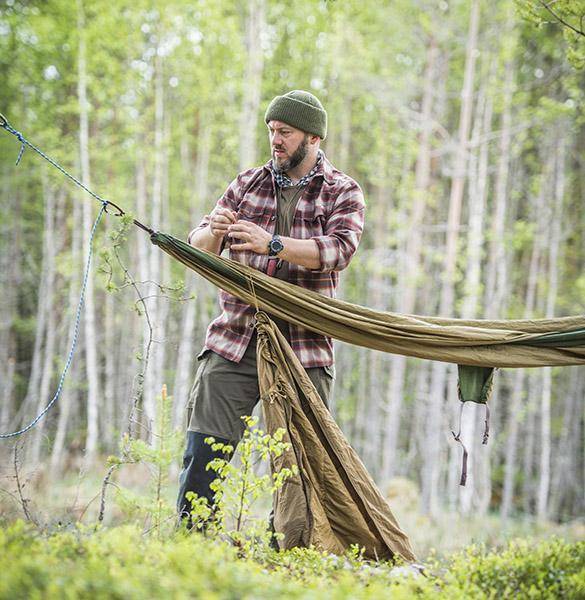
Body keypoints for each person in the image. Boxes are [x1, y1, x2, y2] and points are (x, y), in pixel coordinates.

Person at [177, 90, 366, 526]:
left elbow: (339, 250)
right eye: (271, 131)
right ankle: (189, 544)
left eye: (285, 132)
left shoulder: (343, 191)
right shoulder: (246, 183)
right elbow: (198, 243)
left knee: (299, 467)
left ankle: (284, 558)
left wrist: (272, 245)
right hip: (235, 338)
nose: (275, 140)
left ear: (313, 138)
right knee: (204, 454)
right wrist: (213, 232)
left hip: (305, 348)